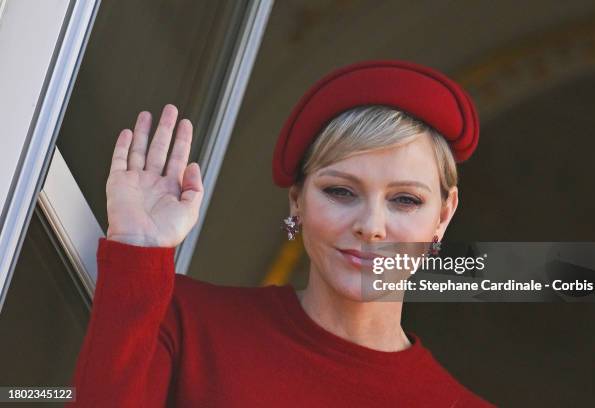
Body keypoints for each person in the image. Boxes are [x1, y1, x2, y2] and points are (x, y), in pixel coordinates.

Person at [67, 60, 494, 407]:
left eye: (405, 200)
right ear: (296, 200)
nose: (372, 226)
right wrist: (138, 252)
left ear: (443, 215)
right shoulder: (189, 320)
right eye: (341, 191)